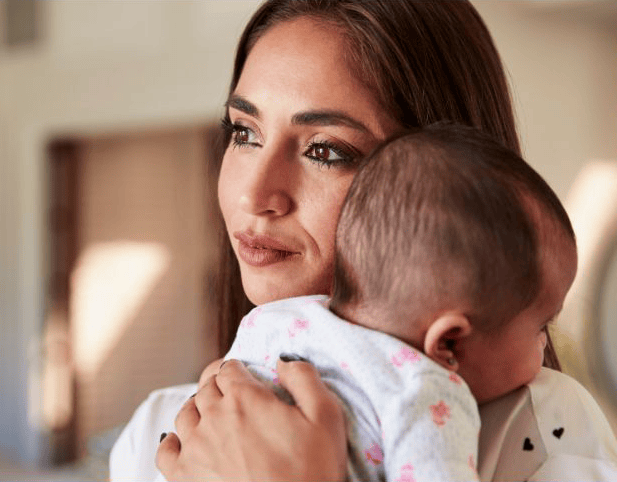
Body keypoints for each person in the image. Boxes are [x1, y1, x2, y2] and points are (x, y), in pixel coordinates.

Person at [110, 1, 617, 480]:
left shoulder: (548, 432)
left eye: (325, 150)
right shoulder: (154, 433)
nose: (255, 194)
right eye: (244, 133)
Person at [164, 124, 577, 482]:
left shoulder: (273, 321)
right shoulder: (429, 394)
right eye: (541, 326)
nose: (254, 197)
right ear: (449, 343)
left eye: (324, 150)